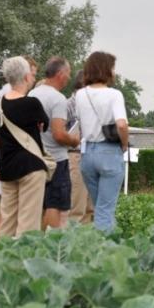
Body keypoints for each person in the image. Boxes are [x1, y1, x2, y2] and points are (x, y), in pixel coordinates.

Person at [0, 56, 50, 237]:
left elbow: (1, 138)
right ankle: (23, 262)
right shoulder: (32, 103)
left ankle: (2, 259)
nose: (33, 78)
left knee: (7, 222)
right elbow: (43, 125)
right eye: (31, 75)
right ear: (25, 77)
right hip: (31, 167)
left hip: (7, 167)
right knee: (28, 222)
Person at [75, 51, 129, 232]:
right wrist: (124, 144)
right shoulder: (114, 95)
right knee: (105, 210)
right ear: (106, 69)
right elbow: (121, 124)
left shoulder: (81, 95)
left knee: (100, 208)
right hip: (109, 152)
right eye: (113, 68)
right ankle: (104, 252)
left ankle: (106, 244)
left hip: (87, 153)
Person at [29, 57, 80, 229]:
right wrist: (74, 140)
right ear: (60, 74)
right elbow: (59, 134)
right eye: (68, 73)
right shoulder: (57, 99)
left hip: (35, 157)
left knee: (39, 205)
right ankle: (50, 242)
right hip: (56, 160)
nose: (69, 78)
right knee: (55, 204)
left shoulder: (32, 94)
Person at [66, 70, 94, 224]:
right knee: (77, 205)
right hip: (75, 156)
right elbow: (59, 132)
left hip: (91, 155)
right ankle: (73, 242)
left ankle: (87, 241)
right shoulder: (69, 104)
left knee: (90, 206)